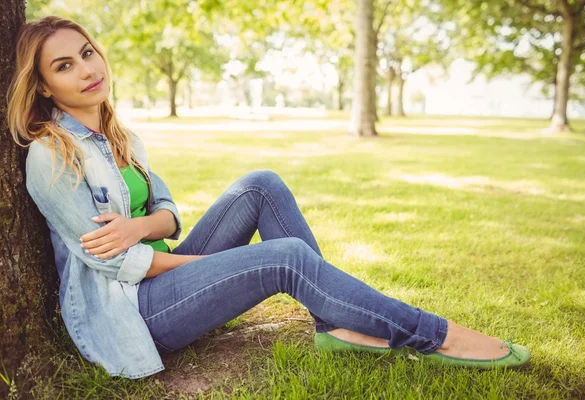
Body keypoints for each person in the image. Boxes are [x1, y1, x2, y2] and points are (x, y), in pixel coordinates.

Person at [7, 16, 529, 379]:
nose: (87, 68)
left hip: (165, 268)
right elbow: (122, 265)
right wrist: (203, 259)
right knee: (286, 260)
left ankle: (337, 325)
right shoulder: (53, 156)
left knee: (261, 183)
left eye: (87, 53)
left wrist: (143, 225)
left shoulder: (122, 137)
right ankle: (433, 335)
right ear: (46, 87)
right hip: (137, 311)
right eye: (64, 66)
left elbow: (167, 214)